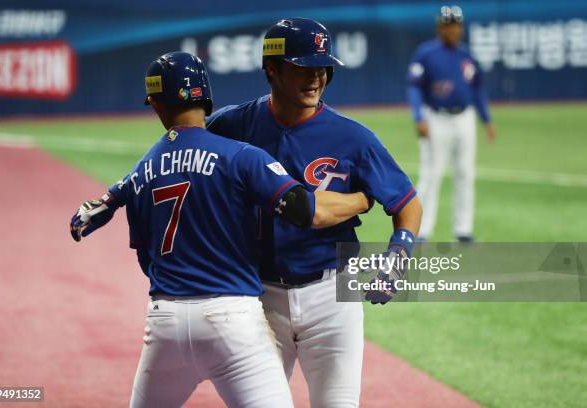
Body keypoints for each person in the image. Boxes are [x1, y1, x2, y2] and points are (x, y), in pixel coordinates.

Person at [69, 51, 371, 408]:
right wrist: (363, 198)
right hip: (231, 320)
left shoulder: (144, 167)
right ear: (205, 95)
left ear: (156, 104)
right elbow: (304, 210)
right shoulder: (242, 155)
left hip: (164, 321)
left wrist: (106, 202)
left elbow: (117, 200)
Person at [207, 18, 422, 408]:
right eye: (303, 68)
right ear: (271, 69)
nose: (315, 78)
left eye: (322, 68)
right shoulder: (231, 125)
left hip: (332, 295)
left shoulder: (353, 137)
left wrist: (398, 257)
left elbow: (406, 203)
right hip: (256, 299)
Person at [407, 5, 496, 242]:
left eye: (456, 25)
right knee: (431, 174)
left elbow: (477, 89)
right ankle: (421, 231)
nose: (453, 29)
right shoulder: (426, 53)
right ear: (440, 28)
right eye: (448, 25)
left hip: (464, 119)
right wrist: (419, 117)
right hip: (436, 117)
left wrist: (486, 119)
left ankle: (463, 230)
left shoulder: (467, 56)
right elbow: (414, 87)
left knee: (465, 174)